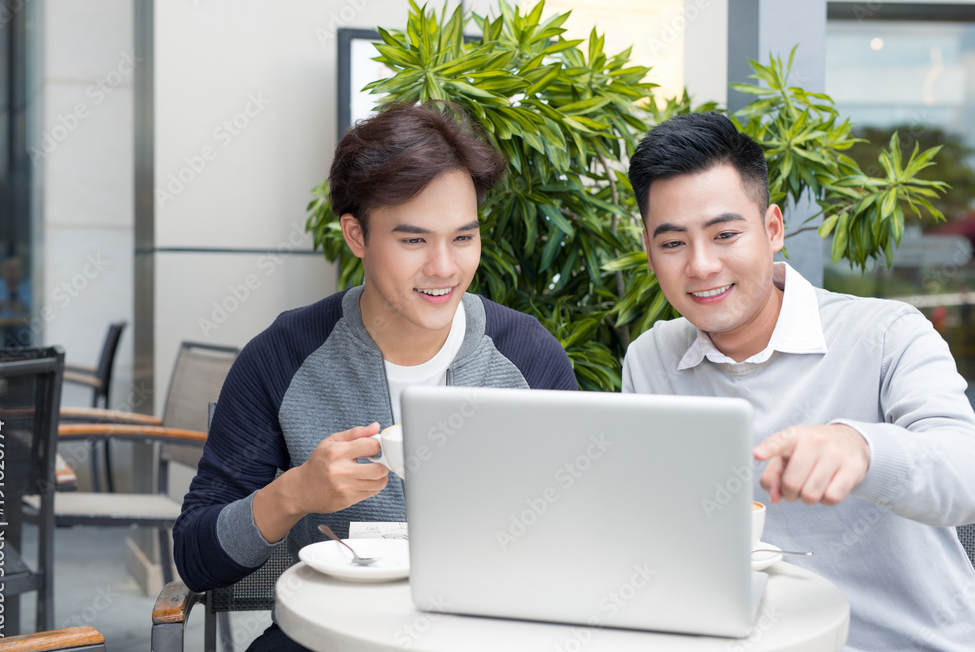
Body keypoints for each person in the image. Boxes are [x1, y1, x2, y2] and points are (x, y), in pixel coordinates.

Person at [173, 101, 578, 651]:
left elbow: (583, 533)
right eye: (413, 240)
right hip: (329, 639)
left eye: (463, 237)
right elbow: (197, 559)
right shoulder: (282, 355)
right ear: (357, 236)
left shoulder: (526, 355)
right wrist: (294, 493)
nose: (444, 267)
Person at [622, 112, 975, 651]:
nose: (701, 265)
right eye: (672, 244)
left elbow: (963, 473)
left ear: (772, 229)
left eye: (725, 234)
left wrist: (861, 448)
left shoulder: (885, 334)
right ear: (649, 249)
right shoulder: (651, 360)